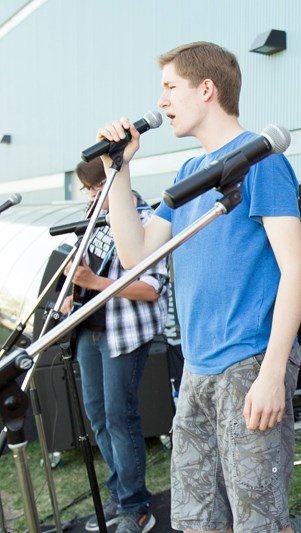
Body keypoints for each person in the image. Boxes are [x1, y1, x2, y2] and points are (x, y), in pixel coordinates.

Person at [98, 41, 301, 533]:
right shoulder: (190, 173)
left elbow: (296, 270)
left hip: (249, 361)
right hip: (197, 366)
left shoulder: (260, 159)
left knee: (258, 518)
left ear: (207, 89)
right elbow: (135, 256)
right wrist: (119, 169)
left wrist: (273, 372)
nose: (163, 102)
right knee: (196, 518)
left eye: (170, 87)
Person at [61, 157, 168, 533]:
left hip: (124, 334)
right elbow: (85, 275)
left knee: (121, 419)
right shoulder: (90, 224)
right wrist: (72, 290)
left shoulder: (146, 219)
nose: (92, 196)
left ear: (113, 183)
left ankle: (137, 506)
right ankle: (121, 493)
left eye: (96, 188)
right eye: (88, 190)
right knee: (98, 418)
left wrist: (92, 283)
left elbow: (150, 290)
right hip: (88, 332)